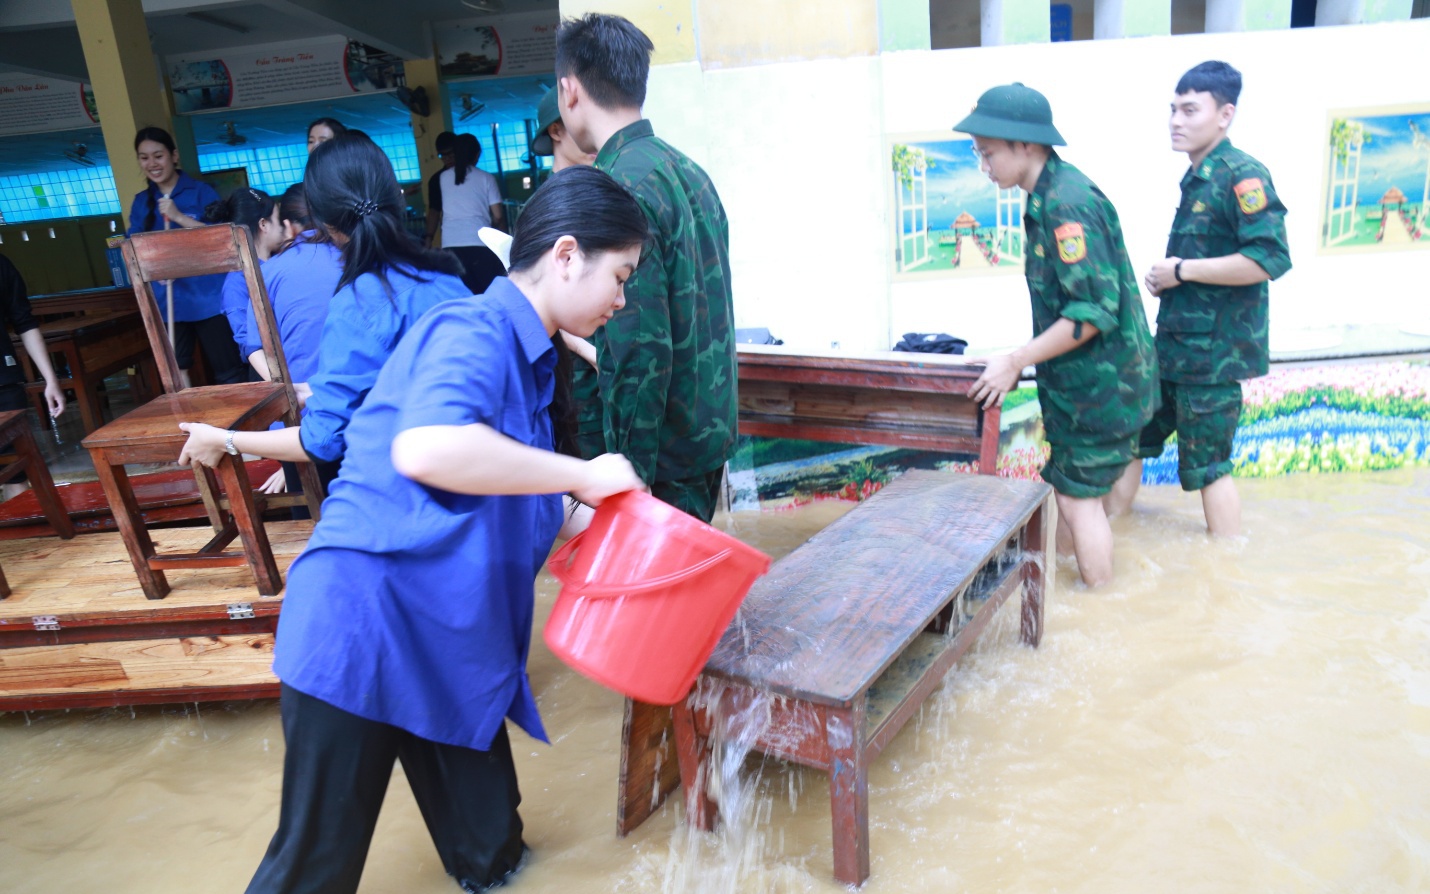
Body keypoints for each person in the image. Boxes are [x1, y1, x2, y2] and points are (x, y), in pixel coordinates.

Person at [234, 165, 648, 894]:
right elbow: (425, 448)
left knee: (495, 856)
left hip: (447, 637)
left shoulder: (529, 358)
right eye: (620, 276)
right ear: (567, 255)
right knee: (313, 871)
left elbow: (511, 495)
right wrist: (580, 474)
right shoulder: (471, 327)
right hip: (363, 627)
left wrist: (626, 519)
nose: (622, 298)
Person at [177, 133, 469, 488]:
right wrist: (316, 392)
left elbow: (321, 440)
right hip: (472, 478)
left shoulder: (356, 301)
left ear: (321, 220)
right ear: (397, 196)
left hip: (412, 495)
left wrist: (223, 439)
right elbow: (405, 386)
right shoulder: (447, 278)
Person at [954, 83, 1157, 586]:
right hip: (1086, 389)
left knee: (1074, 498)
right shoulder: (1048, 197)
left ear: (1026, 145)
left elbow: (1090, 315)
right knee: (1077, 495)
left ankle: (1101, 610)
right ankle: (1074, 590)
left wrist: (1016, 359)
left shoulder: (1068, 206)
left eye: (989, 153)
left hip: (1102, 388)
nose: (985, 166)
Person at [554, 12, 737, 523]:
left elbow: (638, 345)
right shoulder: (688, 171)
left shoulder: (616, 187)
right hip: (704, 435)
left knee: (654, 596)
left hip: (656, 457)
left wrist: (627, 470)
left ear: (569, 90)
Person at [1108, 61, 1291, 538]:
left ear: (1225, 114)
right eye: (1173, 110)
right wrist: (1171, 280)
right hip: (1172, 352)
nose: (1176, 120)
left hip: (1212, 360)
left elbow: (1268, 258)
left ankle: (1226, 575)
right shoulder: (1199, 178)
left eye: (1190, 110)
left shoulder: (1242, 174)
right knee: (1129, 440)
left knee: (1210, 467)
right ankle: (1109, 540)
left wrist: (1181, 271)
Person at [128, 127, 247, 386]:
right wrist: (153, 271)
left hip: (209, 300)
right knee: (177, 373)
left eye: (158, 156)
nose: (152, 163)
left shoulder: (201, 192)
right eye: (144, 157)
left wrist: (179, 217)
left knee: (229, 371)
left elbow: (223, 238)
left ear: (174, 155)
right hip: (170, 302)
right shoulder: (141, 203)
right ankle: (187, 424)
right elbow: (134, 250)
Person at [530, 85, 604, 459]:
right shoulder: (544, 208)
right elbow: (533, 301)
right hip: (577, 373)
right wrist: (589, 350)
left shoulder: (603, 195)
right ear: (555, 131)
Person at [0, 252, 66, 501]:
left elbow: (25, 323)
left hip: (4, 384)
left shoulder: (1, 264)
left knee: (15, 472)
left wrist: (51, 380)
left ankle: (23, 537)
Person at [205, 187, 285, 363]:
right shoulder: (236, 282)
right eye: (278, 220)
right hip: (268, 371)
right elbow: (250, 344)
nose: (284, 226)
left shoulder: (282, 264)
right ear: (263, 224)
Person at [440, 133, 508, 294]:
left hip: (450, 245)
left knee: (460, 294)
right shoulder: (486, 178)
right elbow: (498, 216)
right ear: (477, 154)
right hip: (479, 243)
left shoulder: (443, 177)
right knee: (487, 293)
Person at [423, 130, 457, 248]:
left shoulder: (474, 176)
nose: (447, 159)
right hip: (451, 237)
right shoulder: (436, 180)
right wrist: (429, 237)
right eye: (442, 155)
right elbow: (434, 211)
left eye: (451, 154)